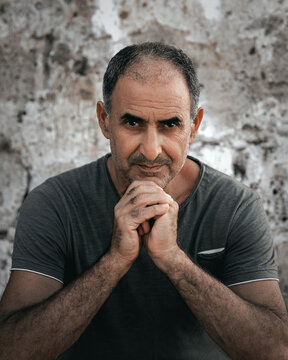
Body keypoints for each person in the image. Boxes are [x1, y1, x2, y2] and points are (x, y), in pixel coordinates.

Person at [0, 42, 287, 360]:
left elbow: (275, 350)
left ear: (194, 126)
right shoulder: (54, 204)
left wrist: (174, 261)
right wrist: (114, 262)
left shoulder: (235, 207)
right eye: (133, 123)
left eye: (170, 124)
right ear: (104, 120)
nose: (151, 151)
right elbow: (12, 349)